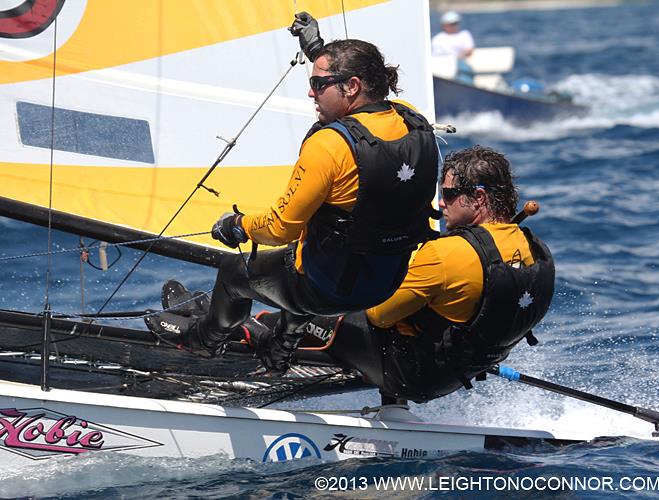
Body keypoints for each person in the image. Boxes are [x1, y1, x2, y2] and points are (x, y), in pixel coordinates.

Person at [146, 13, 439, 374]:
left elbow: (278, 227)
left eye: (318, 83)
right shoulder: (413, 121)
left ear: (350, 87)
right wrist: (317, 51)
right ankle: (281, 345)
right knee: (310, 250)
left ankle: (206, 340)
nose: (310, 92)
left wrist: (237, 225)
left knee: (236, 271)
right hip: (385, 281)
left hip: (329, 289)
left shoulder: (330, 145)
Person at [246, 146, 555, 403]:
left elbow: (378, 316)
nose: (440, 204)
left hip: (410, 376)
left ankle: (247, 343)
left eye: (447, 195)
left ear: (478, 198)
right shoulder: (535, 250)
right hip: (458, 372)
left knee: (315, 307)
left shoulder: (447, 256)